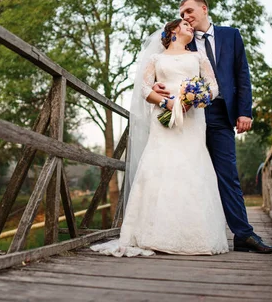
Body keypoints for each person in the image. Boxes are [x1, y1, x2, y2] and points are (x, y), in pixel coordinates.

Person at [153, 0, 272, 253]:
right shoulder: (182, 40)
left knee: (227, 174)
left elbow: (241, 74)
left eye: (189, 11)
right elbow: (166, 66)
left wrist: (245, 111)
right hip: (188, 116)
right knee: (185, 172)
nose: (185, 17)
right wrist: (158, 85)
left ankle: (243, 234)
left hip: (222, 114)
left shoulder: (231, 35)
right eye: (181, 14)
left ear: (204, 8)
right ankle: (178, 232)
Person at [91, 19, 229, 257]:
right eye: (185, 24)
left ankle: (194, 234)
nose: (190, 26)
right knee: (161, 166)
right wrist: (167, 101)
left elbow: (213, 87)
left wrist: (192, 100)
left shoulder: (198, 57)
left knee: (191, 167)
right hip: (163, 117)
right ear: (173, 30)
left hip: (192, 119)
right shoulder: (157, 59)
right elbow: (145, 89)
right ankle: (153, 233)